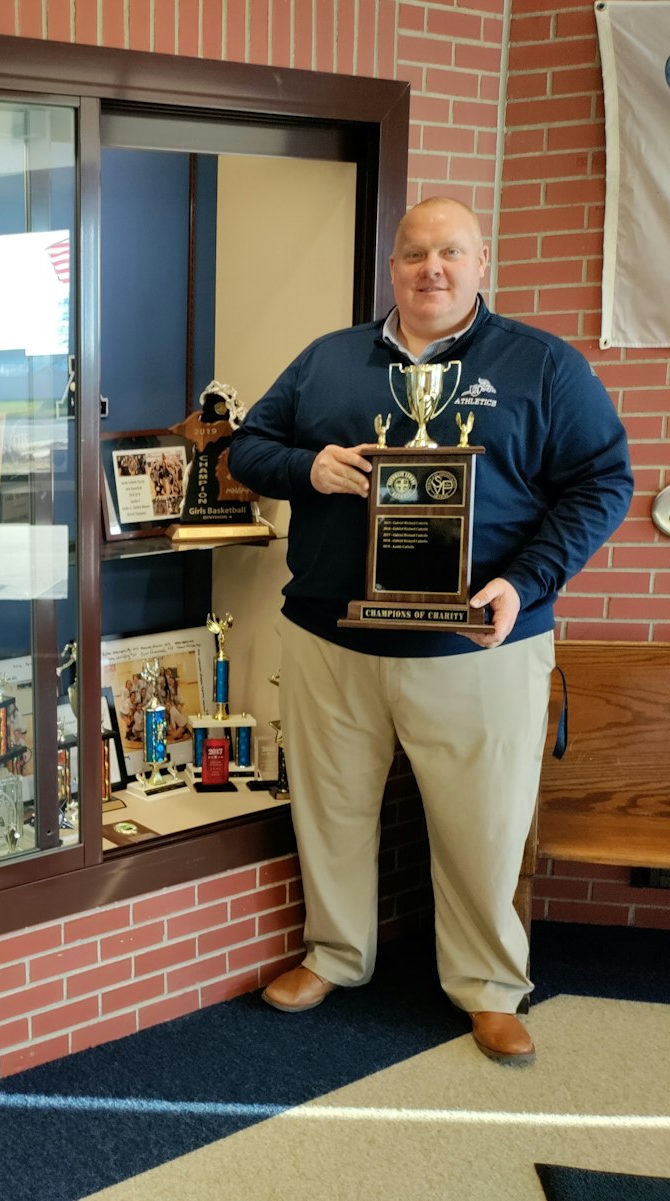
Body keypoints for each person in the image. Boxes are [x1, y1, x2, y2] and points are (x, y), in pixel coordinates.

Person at [229, 197, 633, 1064]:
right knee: (330, 812)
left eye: (450, 253)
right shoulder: (328, 361)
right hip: (333, 640)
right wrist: (311, 467)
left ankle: (489, 986)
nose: (431, 270)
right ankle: (335, 954)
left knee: (484, 824)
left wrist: (525, 582)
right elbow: (246, 450)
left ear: (482, 263)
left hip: (480, 647)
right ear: (394, 267)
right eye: (414, 254)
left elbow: (604, 482)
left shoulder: (543, 366)